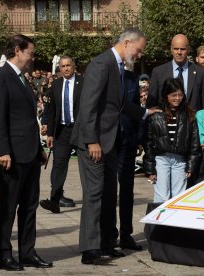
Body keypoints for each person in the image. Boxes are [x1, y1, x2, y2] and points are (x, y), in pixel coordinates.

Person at [71, 27, 159, 265]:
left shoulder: (119, 67)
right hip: (95, 142)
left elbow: (118, 104)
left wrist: (145, 113)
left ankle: (107, 243)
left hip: (109, 141)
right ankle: (90, 249)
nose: (139, 56)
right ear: (127, 42)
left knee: (110, 194)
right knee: (95, 194)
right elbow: (88, 106)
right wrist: (92, 140)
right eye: (139, 50)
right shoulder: (102, 64)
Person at [0, 34, 52, 271]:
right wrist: (2, 150)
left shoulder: (22, 79)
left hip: (29, 153)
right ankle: (4, 254)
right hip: (12, 156)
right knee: (8, 207)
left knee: (30, 207)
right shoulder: (1, 77)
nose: (33, 57)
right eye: (30, 52)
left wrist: (39, 149)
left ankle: (27, 252)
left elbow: (28, 118)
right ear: (17, 50)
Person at [144, 78, 200, 202]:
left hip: (180, 160)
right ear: (166, 95)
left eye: (180, 95)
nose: (177, 98)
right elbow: (149, 142)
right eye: (173, 95)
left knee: (178, 197)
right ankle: (159, 221)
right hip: (161, 159)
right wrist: (150, 168)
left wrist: (190, 165)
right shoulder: (156, 114)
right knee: (161, 197)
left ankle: (174, 221)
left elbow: (194, 143)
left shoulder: (189, 115)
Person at [39, 56, 82, 214]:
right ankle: (54, 201)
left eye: (68, 65)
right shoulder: (56, 84)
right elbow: (51, 110)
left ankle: (95, 198)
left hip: (80, 130)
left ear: (74, 66)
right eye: (62, 66)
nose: (65, 69)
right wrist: (50, 133)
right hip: (62, 131)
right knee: (58, 166)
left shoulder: (83, 83)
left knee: (86, 165)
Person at [116, 69, 145, 250]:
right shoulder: (104, 73)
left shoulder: (132, 77)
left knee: (127, 189)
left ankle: (126, 234)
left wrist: (139, 138)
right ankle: (108, 235)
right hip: (108, 141)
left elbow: (136, 109)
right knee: (108, 191)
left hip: (128, 140)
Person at [146, 34, 204, 111]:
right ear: (171, 49)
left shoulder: (201, 73)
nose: (179, 52)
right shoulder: (158, 72)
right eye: (176, 49)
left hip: (193, 121)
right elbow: (151, 105)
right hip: (166, 120)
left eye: (182, 49)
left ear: (188, 50)